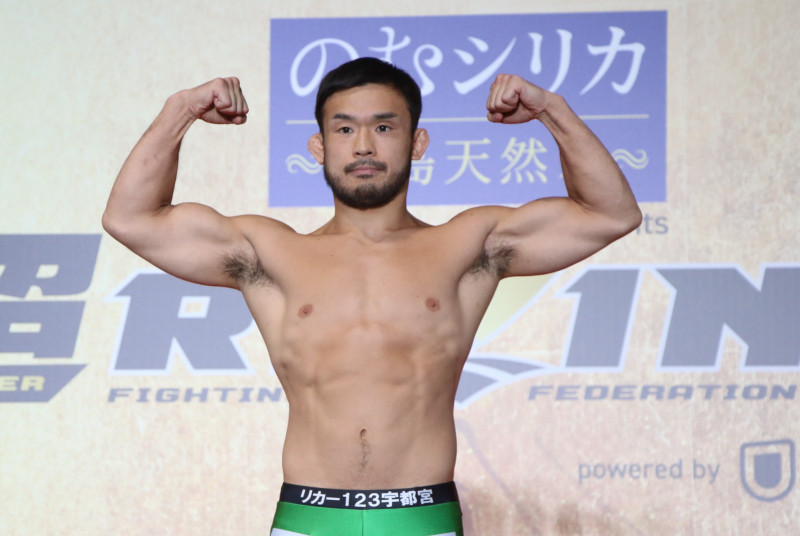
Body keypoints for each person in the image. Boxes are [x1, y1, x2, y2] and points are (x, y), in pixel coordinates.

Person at [103, 57, 642, 536]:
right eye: (344, 128)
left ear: (417, 143)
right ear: (319, 146)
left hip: (421, 517)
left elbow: (610, 214)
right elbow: (130, 219)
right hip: (309, 518)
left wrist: (552, 111)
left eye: (384, 127)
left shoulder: (465, 247)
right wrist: (180, 111)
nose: (363, 145)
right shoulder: (271, 253)